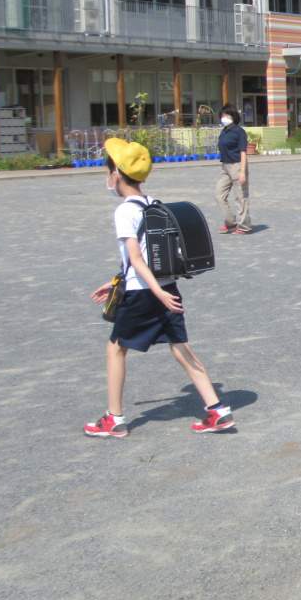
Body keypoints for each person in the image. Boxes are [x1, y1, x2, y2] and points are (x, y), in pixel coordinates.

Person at [85, 138, 235, 437]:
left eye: (108, 170)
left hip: (145, 292)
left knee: (115, 348)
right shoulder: (153, 204)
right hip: (167, 288)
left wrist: (153, 292)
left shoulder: (124, 211)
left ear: (116, 174)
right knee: (182, 349)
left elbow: (137, 258)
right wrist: (118, 282)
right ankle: (217, 410)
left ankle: (114, 419)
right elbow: (148, 257)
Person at [214, 103, 252, 235]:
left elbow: (243, 152)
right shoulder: (224, 131)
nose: (224, 118)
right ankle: (230, 222)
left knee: (241, 197)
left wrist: (242, 172)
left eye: (227, 115)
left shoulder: (239, 131)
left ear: (234, 116)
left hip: (237, 165)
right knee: (219, 195)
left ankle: (245, 227)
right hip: (225, 167)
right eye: (223, 115)